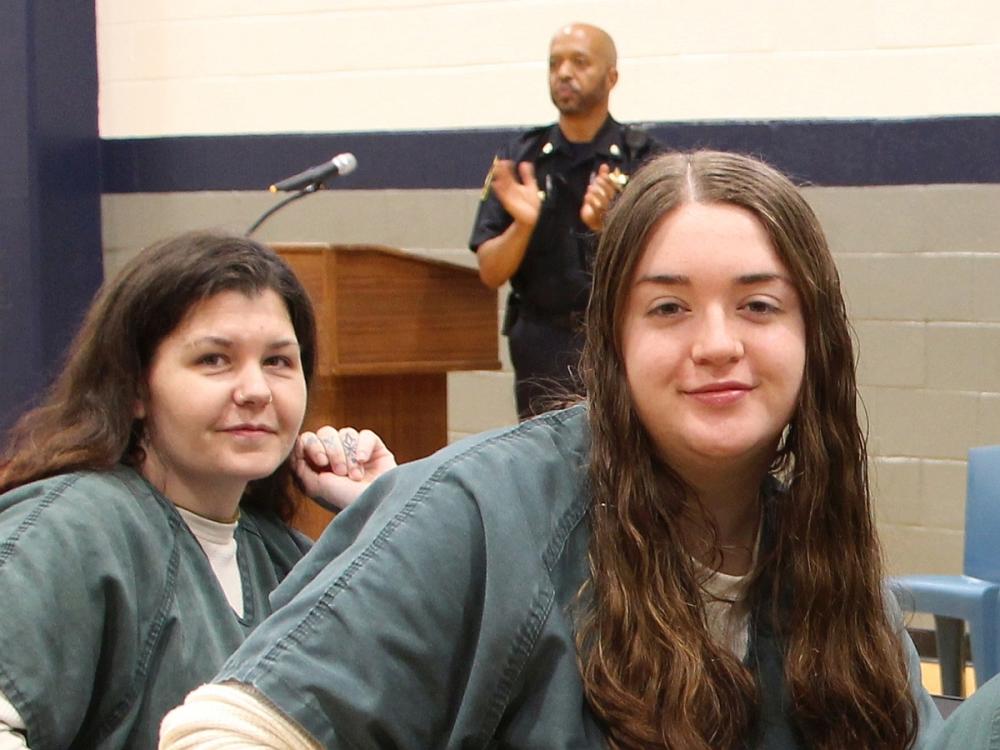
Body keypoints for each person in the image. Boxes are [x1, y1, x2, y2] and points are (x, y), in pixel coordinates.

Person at [160, 152, 942, 749]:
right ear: (614, 344)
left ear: (815, 339)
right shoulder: (475, 516)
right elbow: (231, 728)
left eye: (758, 305)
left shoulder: (836, 584)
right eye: (667, 307)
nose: (716, 344)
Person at [0, 232, 395, 749]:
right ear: (136, 387)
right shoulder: (68, 531)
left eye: (277, 361)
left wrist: (385, 514)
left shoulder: (283, 556)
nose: (255, 390)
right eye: (214, 360)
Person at [470, 22, 661, 418]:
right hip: (540, 343)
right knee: (541, 460)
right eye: (554, 63)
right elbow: (490, 271)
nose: (564, 73)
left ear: (611, 77)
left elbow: (669, 264)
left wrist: (611, 231)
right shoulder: (520, 158)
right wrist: (523, 225)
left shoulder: (642, 159)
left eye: (579, 62)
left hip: (617, 336)